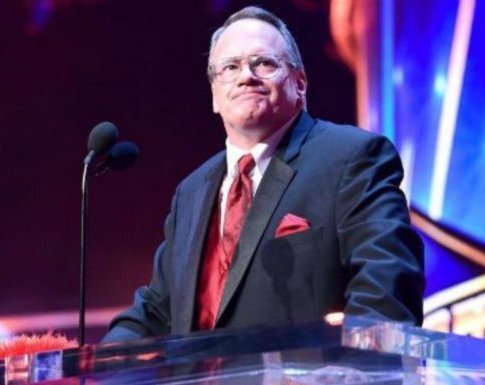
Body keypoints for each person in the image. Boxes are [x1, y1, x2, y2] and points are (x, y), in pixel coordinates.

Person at [102, 6, 423, 344]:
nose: (246, 76)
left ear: (300, 83)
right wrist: (92, 372)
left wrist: (347, 378)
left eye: (264, 63)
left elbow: (386, 293)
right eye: (230, 67)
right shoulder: (191, 192)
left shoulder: (353, 158)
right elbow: (157, 311)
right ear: (214, 95)